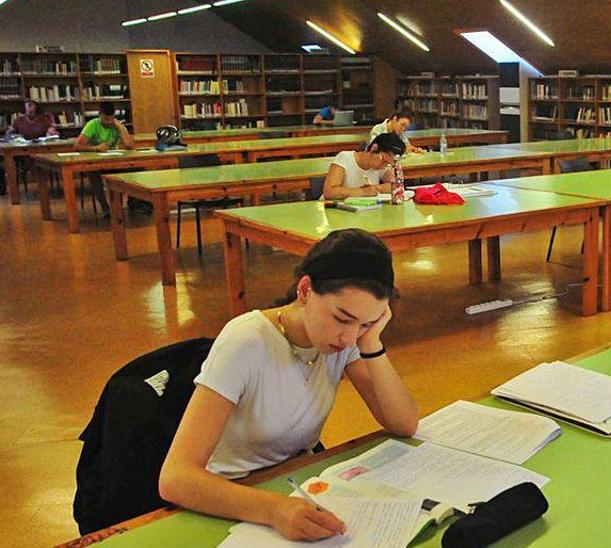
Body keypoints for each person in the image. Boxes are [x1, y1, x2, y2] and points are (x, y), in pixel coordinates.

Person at [159, 229, 418, 542]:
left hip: (294, 481)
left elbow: (403, 423)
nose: (349, 338)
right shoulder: (246, 340)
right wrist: (274, 509)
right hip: (234, 496)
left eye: (365, 323)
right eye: (342, 318)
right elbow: (175, 478)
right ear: (306, 290)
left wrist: (372, 342)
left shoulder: (346, 341)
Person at [74, 102, 135, 216]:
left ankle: (132, 203)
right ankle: (104, 206)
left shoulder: (116, 125)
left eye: (111, 118)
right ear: (99, 115)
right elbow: (77, 146)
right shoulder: (93, 125)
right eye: (106, 119)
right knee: (93, 175)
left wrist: (121, 128)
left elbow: (130, 145)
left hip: (113, 162)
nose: (109, 122)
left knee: (134, 169)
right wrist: (96, 148)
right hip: (95, 163)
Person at [322, 133, 405, 200]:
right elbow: (329, 191)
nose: (384, 166)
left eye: (388, 164)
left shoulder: (381, 166)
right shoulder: (344, 158)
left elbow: (395, 185)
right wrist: (363, 192)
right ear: (373, 148)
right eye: (383, 160)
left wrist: (377, 188)